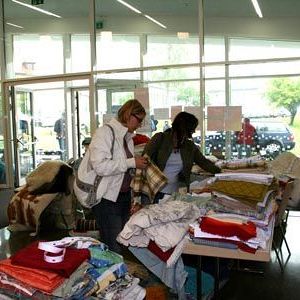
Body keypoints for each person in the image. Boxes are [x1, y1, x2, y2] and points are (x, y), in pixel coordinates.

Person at [89, 99, 148, 253]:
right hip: (106, 200)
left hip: (122, 197)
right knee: (113, 247)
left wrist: (134, 198)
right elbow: (100, 167)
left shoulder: (127, 138)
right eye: (139, 120)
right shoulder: (104, 133)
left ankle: (117, 275)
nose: (140, 125)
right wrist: (131, 162)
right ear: (129, 115)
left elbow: (125, 171)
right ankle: (111, 276)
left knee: (123, 244)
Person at [143, 111, 221, 203]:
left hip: (178, 193)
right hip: (155, 192)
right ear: (184, 127)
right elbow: (144, 160)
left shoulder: (189, 146)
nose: (194, 131)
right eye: (192, 128)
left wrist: (221, 172)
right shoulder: (160, 139)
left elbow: (204, 162)